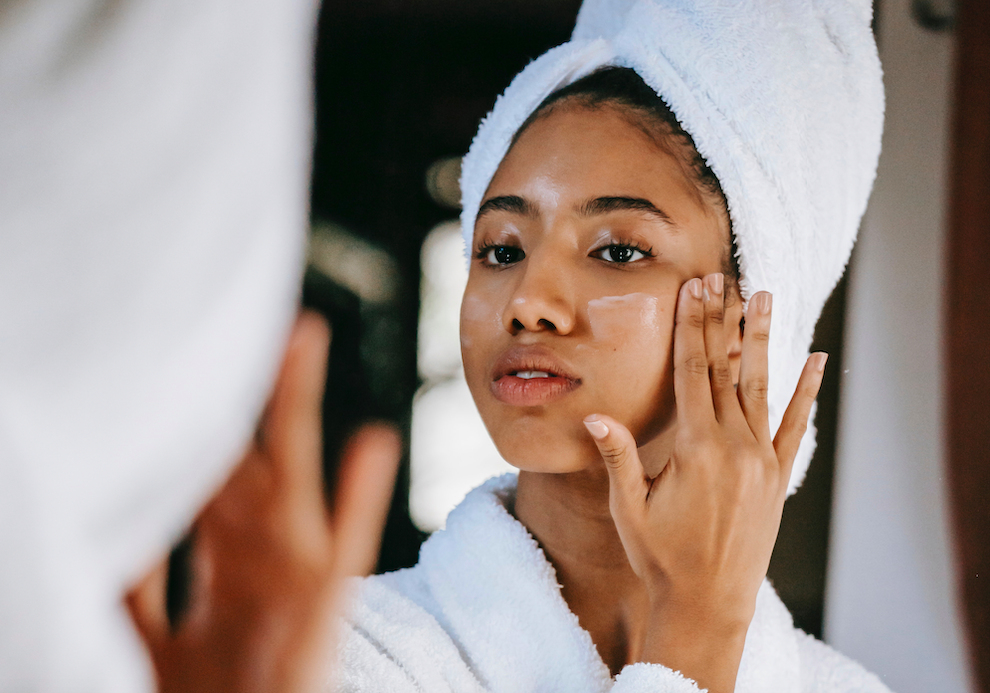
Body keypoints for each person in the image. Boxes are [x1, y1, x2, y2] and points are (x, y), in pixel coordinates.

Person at [333, 0, 887, 691]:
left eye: (619, 250)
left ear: (750, 316)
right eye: (501, 250)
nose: (528, 303)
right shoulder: (341, 658)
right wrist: (695, 640)